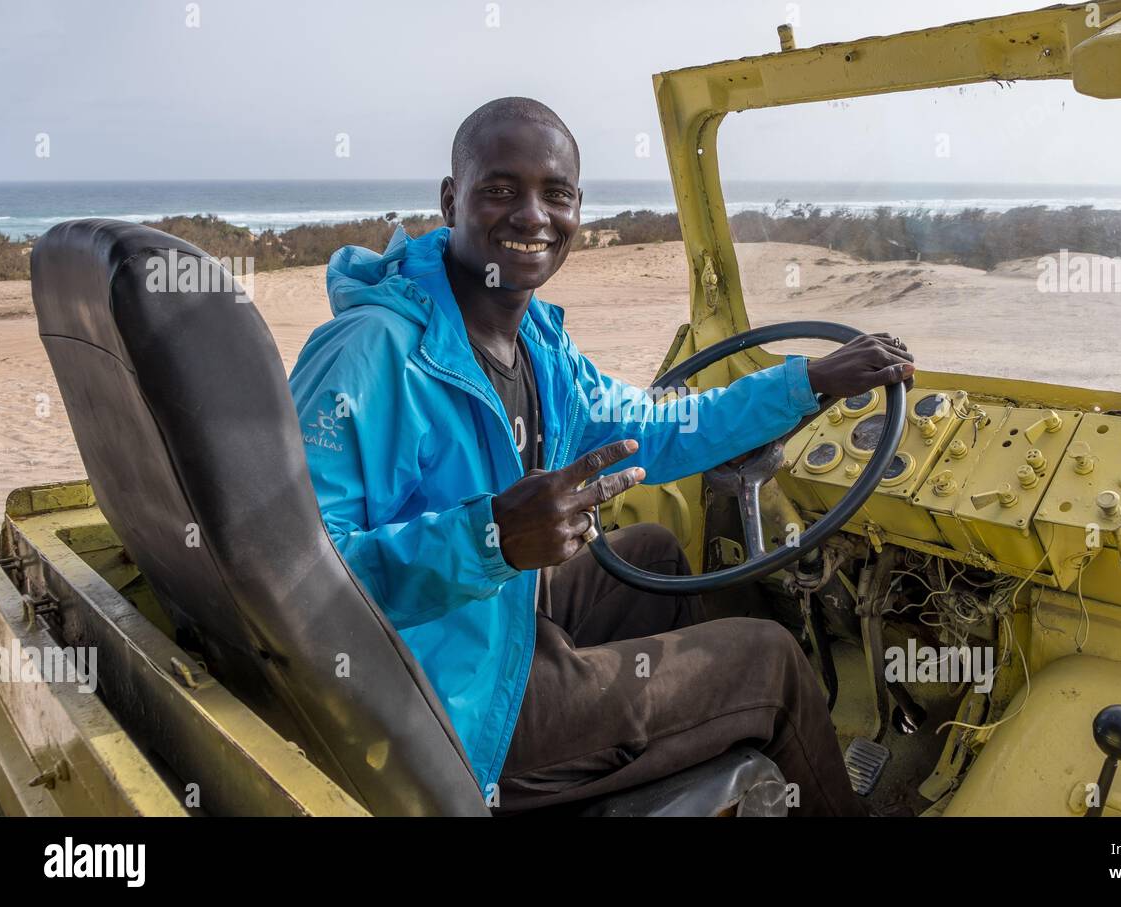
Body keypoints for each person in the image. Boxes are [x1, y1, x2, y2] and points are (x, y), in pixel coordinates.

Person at [288, 97, 914, 816]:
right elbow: (301, 579)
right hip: (435, 710)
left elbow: (665, 424)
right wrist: (490, 537)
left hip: (489, 625)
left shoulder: (537, 347)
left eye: (555, 194)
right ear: (451, 199)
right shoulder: (370, 355)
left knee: (649, 552)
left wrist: (806, 382)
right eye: (500, 189)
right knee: (772, 664)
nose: (531, 216)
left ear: (577, 209)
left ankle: (689, 768)